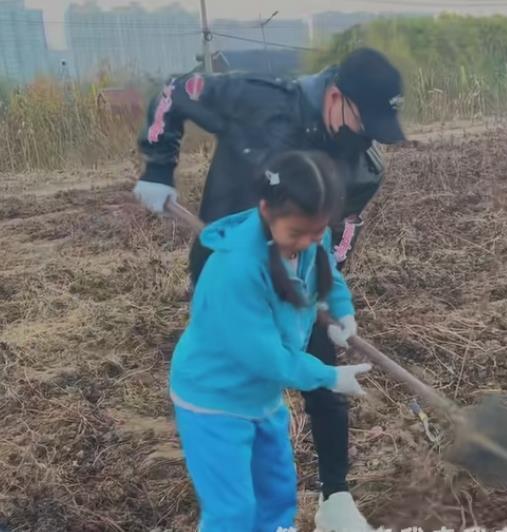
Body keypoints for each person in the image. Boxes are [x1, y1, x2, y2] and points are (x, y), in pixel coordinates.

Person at [133, 47, 405, 530]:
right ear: (337, 98)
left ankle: (335, 499)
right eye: (364, 124)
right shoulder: (260, 101)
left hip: (300, 278)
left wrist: (333, 303)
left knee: (311, 382)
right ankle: (229, 485)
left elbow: (339, 235)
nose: (366, 139)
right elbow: (176, 90)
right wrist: (158, 166)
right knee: (246, 375)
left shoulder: (363, 166)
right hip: (230, 276)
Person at [171, 150, 372, 531]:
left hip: (261, 398)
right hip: (214, 399)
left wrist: (342, 311)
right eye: (297, 234)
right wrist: (329, 376)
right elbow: (269, 359)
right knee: (233, 511)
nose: (308, 242)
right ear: (266, 209)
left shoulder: (309, 233)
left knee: (277, 495)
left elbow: (326, 269)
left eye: (317, 232)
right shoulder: (235, 271)